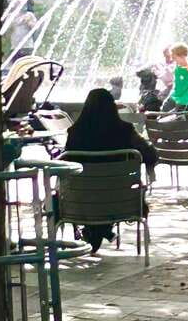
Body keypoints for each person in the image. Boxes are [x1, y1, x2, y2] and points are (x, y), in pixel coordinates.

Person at [64, 88, 157, 254]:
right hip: (120, 201)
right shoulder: (125, 131)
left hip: (80, 202)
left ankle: (98, 230)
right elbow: (151, 155)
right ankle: (102, 229)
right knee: (107, 190)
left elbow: (66, 167)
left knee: (93, 190)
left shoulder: (75, 133)